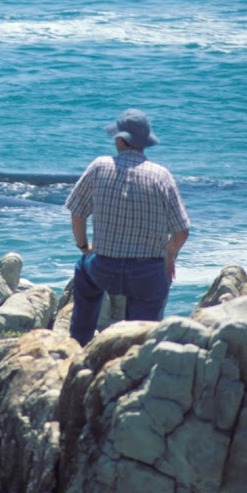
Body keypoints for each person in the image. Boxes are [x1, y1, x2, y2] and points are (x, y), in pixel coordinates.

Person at [64, 109, 191, 346]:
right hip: (147, 273)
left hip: (104, 269)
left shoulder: (99, 166)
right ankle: (137, 355)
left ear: (121, 140)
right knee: (142, 336)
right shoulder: (161, 176)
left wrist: (84, 247)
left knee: (83, 270)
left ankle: (79, 342)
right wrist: (169, 255)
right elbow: (182, 231)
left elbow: (77, 213)